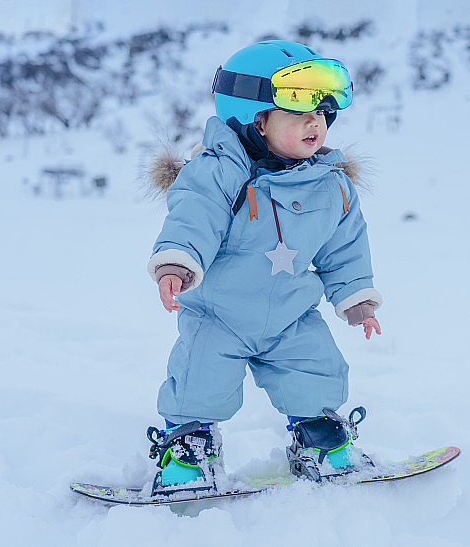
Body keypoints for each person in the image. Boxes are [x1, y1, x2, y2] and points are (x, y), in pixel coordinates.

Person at [145, 40, 382, 493]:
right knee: (199, 383)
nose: (316, 123)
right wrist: (176, 262)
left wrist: (357, 297)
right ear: (254, 119)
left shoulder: (332, 186)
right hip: (219, 315)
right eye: (299, 112)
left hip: (291, 315)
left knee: (317, 375)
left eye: (323, 115)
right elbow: (193, 216)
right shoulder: (218, 173)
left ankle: (320, 440)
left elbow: (345, 246)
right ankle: (188, 448)